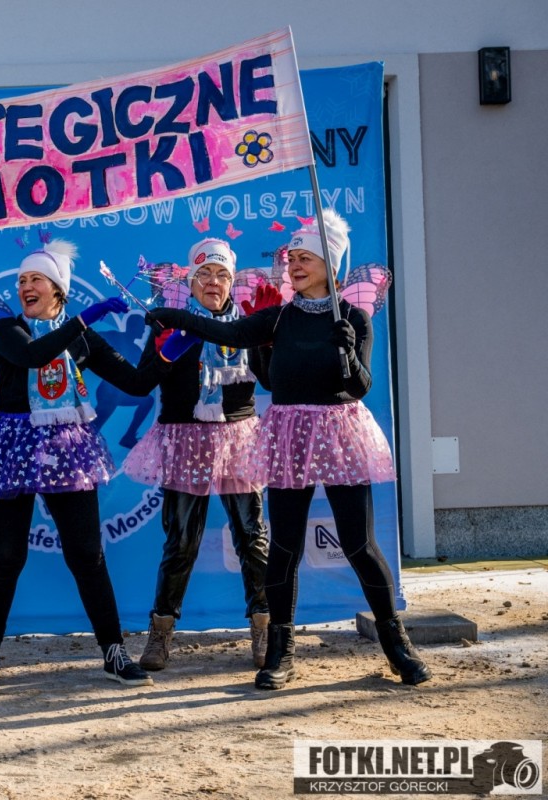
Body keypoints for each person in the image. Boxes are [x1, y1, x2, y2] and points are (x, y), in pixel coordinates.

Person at [148, 211, 432, 689]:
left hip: (340, 434)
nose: (294, 265)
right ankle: (280, 653)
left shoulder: (353, 318)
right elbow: (231, 333)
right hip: (289, 435)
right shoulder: (278, 317)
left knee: (359, 544)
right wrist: (175, 316)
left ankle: (397, 646)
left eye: (305, 258)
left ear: (330, 266)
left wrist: (348, 349)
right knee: (283, 547)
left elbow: (359, 387)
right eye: (291, 258)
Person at [0, 239, 163, 691]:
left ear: (58, 288)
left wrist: (163, 347)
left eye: (35, 278)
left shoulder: (82, 337)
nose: (24, 286)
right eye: (21, 280)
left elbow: (136, 382)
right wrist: (84, 320)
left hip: (66, 447)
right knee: (5, 557)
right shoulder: (9, 329)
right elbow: (33, 355)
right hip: (12, 446)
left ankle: (114, 653)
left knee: (87, 555)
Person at [123, 238, 271, 672]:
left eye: (222, 274)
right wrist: (166, 350)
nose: (213, 282)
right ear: (190, 282)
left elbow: (269, 379)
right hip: (186, 439)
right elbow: (142, 381)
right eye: (204, 274)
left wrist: (268, 340)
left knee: (252, 536)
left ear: (232, 282)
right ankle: (160, 632)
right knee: (182, 541)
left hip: (238, 437)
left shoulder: (247, 324)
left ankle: (265, 627)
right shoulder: (170, 323)